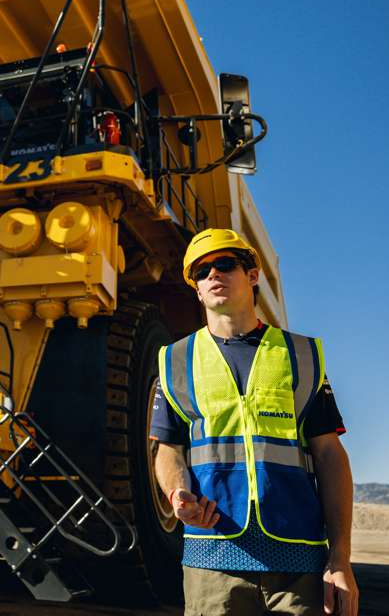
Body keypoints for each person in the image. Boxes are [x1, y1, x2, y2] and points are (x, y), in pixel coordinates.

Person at [151, 228, 359, 616]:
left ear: (252, 275)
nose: (213, 274)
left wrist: (340, 558)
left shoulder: (300, 356)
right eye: (201, 271)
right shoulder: (176, 361)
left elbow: (330, 456)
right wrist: (178, 496)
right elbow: (169, 450)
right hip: (211, 563)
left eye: (225, 264)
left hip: (299, 563)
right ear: (196, 289)